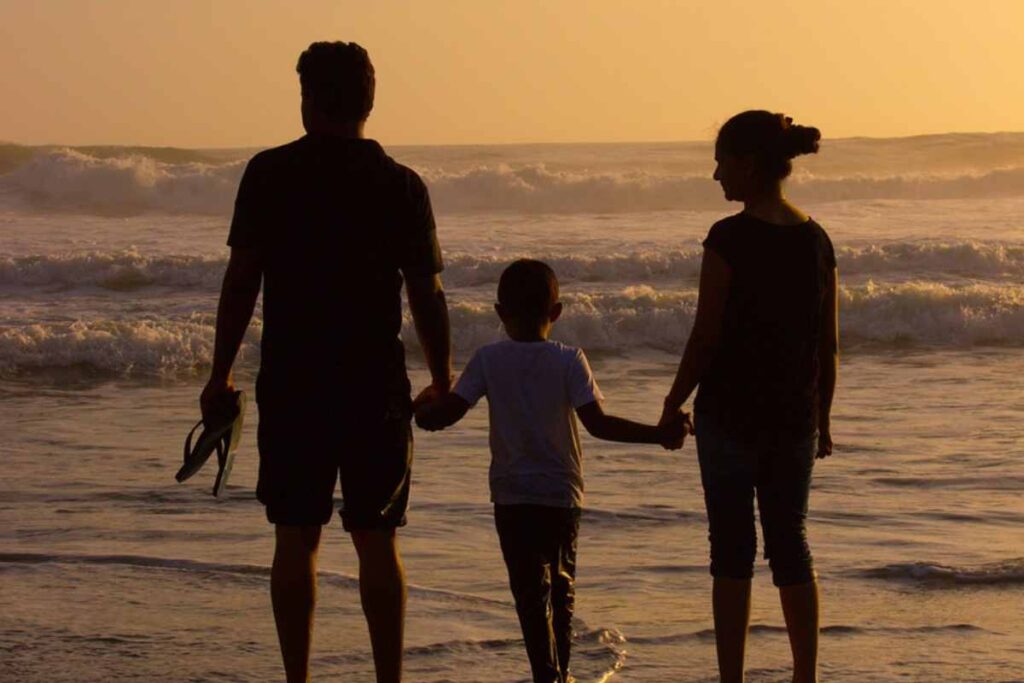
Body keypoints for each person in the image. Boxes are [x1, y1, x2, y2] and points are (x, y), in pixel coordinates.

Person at [199, 41, 452, 683]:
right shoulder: (400, 185)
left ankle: (298, 679)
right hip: (375, 383)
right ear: (370, 102)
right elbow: (427, 292)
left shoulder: (270, 173)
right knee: (377, 538)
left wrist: (219, 372)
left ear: (308, 99)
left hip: (294, 378)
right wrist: (443, 379)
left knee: (296, 535)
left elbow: (241, 282)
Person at [415, 259, 691, 683]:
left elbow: (444, 416)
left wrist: (419, 409)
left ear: (499, 313)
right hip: (562, 496)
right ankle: (559, 674)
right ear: (557, 313)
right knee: (561, 592)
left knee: (529, 596)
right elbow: (598, 425)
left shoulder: (488, 360)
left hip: (511, 497)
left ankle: (546, 675)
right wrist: (658, 434)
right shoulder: (568, 359)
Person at [659, 111, 839, 683]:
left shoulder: (729, 237)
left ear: (748, 165)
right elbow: (827, 344)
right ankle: (804, 674)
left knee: (731, 549)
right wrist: (824, 420)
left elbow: (705, 335)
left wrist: (672, 402)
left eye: (720, 162)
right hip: (794, 418)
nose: (716, 175)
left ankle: (731, 678)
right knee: (792, 545)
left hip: (730, 417)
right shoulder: (816, 239)